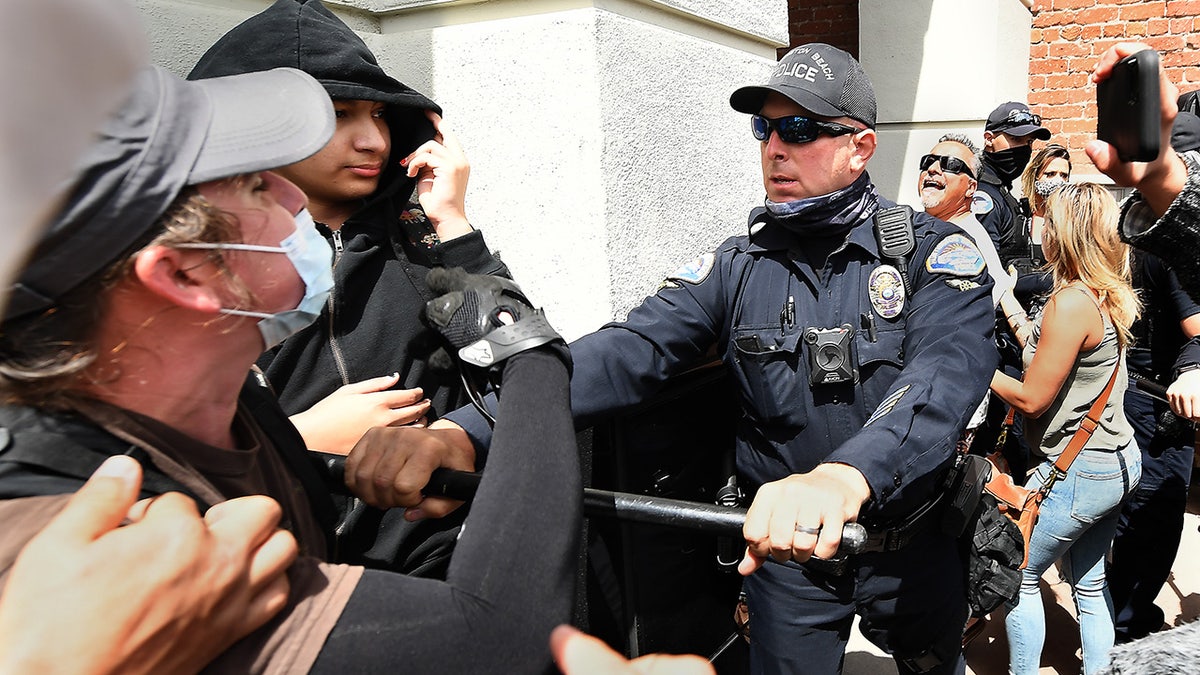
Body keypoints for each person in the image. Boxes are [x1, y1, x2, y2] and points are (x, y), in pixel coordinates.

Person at [0, 64, 579, 673]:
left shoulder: (236, 407)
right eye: (256, 185)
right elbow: (497, 637)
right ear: (181, 273)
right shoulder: (82, 532)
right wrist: (533, 357)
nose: (296, 196)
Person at [442, 42, 998, 674]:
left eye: (800, 129)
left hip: (910, 544)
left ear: (860, 148)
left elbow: (944, 376)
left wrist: (841, 479)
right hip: (787, 563)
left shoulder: (932, 253)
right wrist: (471, 428)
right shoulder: (737, 265)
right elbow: (632, 350)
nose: (774, 148)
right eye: (765, 128)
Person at [187, 0, 511, 575]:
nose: (373, 141)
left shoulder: (421, 240)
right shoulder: (188, 267)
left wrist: (456, 227)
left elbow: (523, 364)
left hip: (444, 567)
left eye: (380, 115)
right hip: (274, 590)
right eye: (338, 114)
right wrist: (294, 441)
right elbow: (125, 459)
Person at [990, 183, 1142, 675]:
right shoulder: (1106, 292)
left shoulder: (1070, 302)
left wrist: (974, 369)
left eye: (1047, 219)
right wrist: (1008, 300)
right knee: (1091, 583)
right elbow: (1046, 353)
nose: (1039, 227)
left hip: (1081, 471)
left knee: (1020, 573)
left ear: (1066, 232)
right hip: (1119, 459)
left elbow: (1032, 399)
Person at [1104, 116, 1200, 645]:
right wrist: (1194, 367)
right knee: (1151, 520)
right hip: (1157, 400)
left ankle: (1117, 620)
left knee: (1130, 519)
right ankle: (1126, 627)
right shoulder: (1171, 241)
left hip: (1130, 391)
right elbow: (1197, 325)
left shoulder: (1132, 222)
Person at [917, 133, 1010, 306]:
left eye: (950, 164)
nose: (933, 169)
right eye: (928, 161)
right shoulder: (913, 225)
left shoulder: (971, 239)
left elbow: (1000, 293)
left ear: (971, 188)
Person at [974, 101, 1051, 257]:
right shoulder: (984, 194)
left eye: (1029, 142)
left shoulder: (1000, 188)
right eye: (1016, 139)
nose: (1023, 148)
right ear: (989, 139)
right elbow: (985, 268)